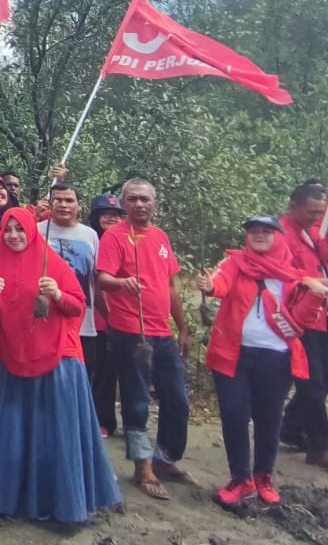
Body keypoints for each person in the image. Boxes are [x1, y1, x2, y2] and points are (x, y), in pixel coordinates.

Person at [0, 208, 122, 522]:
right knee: (10, 431)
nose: (13, 235)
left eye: (19, 229)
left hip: (57, 358)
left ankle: (61, 503)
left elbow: (77, 305)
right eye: (8, 229)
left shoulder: (53, 263)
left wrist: (58, 294)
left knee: (57, 432)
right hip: (13, 357)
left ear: (31, 231)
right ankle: (0, 498)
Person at [197, 214, 328, 506]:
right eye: (253, 230)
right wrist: (208, 285)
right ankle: (240, 479)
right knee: (234, 415)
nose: (259, 235)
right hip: (232, 355)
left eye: (266, 231)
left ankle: (263, 477)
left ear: (277, 235)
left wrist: (317, 296)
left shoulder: (293, 275)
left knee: (269, 419)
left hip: (276, 358)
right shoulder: (234, 263)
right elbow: (219, 283)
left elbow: (303, 318)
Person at [96, 178, 192, 500]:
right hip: (130, 331)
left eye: (145, 199)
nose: (139, 204)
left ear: (155, 203)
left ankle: (164, 458)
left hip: (163, 332)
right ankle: (142, 467)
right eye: (133, 199)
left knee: (178, 398)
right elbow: (102, 278)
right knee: (137, 399)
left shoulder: (161, 236)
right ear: (123, 203)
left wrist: (183, 328)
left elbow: (171, 286)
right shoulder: (114, 236)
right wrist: (122, 283)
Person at [43, 182, 104, 419]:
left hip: (83, 323)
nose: (63, 204)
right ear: (50, 203)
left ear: (79, 206)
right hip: (45, 319)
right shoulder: (37, 231)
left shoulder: (90, 235)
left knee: (79, 386)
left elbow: (96, 280)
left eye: (69, 200)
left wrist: (106, 316)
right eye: (58, 199)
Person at [278, 181, 328, 466]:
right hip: (299, 315)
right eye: (312, 212)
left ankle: (292, 427)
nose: (316, 217)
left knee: (322, 380)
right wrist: (312, 281)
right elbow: (280, 272)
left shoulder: (312, 232)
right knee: (313, 381)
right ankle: (320, 446)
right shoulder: (280, 234)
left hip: (320, 315)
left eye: (320, 212)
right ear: (294, 206)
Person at [87, 194, 123, 435]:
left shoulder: (123, 240)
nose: (110, 218)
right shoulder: (89, 239)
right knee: (93, 370)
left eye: (115, 215)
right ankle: (91, 418)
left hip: (118, 314)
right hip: (92, 315)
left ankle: (106, 421)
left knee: (109, 373)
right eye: (105, 214)